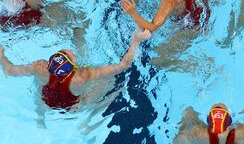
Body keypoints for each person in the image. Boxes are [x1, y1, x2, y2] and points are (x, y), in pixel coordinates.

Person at [0, 28, 150, 110]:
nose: (70, 51)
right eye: (69, 55)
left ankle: (41, 117)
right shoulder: (83, 75)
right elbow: (124, 66)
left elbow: (8, 71)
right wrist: (136, 41)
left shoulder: (40, 68)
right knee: (110, 80)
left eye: (63, 52)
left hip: (45, 102)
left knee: (40, 85)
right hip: (73, 107)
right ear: (73, 67)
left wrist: (1, 55)